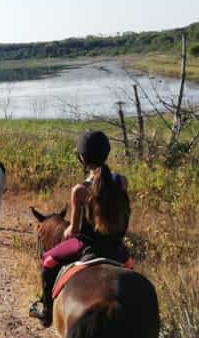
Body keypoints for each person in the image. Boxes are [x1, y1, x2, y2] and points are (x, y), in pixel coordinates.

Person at [29, 130, 132, 327]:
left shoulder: (80, 190)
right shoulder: (122, 181)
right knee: (130, 269)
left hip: (87, 247)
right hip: (117, 247)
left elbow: (73, 231)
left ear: (82, 158)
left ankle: (46, 310)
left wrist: (67, 231)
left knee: (47, 261)